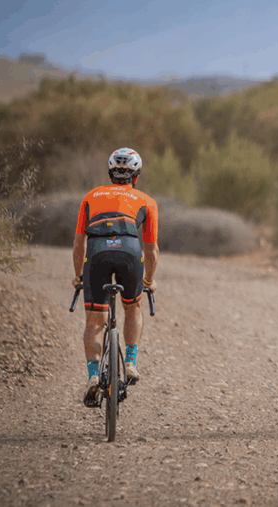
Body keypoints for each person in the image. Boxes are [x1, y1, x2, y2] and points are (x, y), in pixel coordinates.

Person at [72, 148, 159, 406]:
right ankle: (130, 362)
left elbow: (79, 244)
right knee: (133, 306)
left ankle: (92, 376)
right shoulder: (147, 201)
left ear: (110, 173)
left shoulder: (90, 196)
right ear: (137, 176)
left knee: (94, 321)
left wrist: (78, 276)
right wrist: (149, 282)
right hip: (130, 254)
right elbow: (152, 249)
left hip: (97, 254)